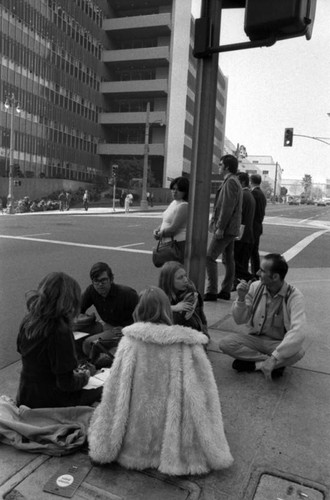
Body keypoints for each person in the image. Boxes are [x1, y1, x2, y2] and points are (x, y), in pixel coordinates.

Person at [88, 286, 233, 475]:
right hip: (171, 436)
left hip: (135, 443)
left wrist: (105, 436)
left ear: (140, 309)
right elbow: (203, 394)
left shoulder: (129, 343)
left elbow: (115, 393)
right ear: (166, 309)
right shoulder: (187, 345)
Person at [16, 272, 102, 408]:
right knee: (108, 388)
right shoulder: (59, 329)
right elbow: (66, 384)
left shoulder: (29, 320)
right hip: (51, 401)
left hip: (25, 395)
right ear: (69, 299)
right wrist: (85, 376)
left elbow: (22, 351)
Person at [218, 254, 306, 381]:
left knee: (299, 352)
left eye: (263, 270)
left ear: (275, 276)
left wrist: (275, 355)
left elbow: (299, 331)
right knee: (225, 343)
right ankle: (271, 364)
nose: (258, 273)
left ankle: (254, 365)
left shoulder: (294, 296)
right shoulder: (255, 287)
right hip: (255, 340)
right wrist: (241, 298)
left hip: (277, 343)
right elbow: (239, 319)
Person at [204, 155, 242, 302]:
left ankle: (212, 291)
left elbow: (227, 207)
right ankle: (225, 290)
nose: (219, 166)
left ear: (226, 166)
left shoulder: (230, 182)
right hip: (231, 228)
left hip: (226, 228)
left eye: (220, 164)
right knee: (228, 259)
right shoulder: (234, 181)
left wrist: (220, 227)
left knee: (209, 257)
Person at [80, 262, 139, 357]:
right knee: (72, 334)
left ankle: (93, 366)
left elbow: (143, 317)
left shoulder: (127, 294)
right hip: (106, 325)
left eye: (103, 280)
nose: (100, 284)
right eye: (96, 281)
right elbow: (78, 309)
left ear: (111, 279)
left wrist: (128, 329)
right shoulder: (91, 291)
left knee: (89, 343)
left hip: (123, 330)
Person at [158, 261, 208, 338]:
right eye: (180, 278)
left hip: (194, 330)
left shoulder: (191, 293)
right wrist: (173, 308)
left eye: (185, 276)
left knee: (176, 315)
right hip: (173, 331)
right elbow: (150, 310)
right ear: (168, 281)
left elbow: (184, 316)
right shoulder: (160, 293)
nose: (185, 280)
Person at [153, 177, 189, 264]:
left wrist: (160, 234)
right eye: (173, 189)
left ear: (185, 191)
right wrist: (157, 230)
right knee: (169, 273)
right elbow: (166, 221)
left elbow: (173, 229)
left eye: (179, 189)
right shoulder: (174, 202)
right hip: (168, 243)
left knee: (175, 273)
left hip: (177, 245)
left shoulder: (184, 206)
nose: (175, 192)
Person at [233, 172, 256, 289]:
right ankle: (240, 282)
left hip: (240, 234)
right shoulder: (249, 195)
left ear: (242, 182)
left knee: (233, 260)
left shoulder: (242, 194)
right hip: (247, 234)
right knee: (241, 261)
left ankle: (248, 277)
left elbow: (238, 215)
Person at [250, 174, 267, 278]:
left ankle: (254, 274)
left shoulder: (253, 193)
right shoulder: (261, 194)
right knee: (254, 252)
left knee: (250, 252)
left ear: (251, 181)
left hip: (252, 226)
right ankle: (256, 273)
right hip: (258, 225)